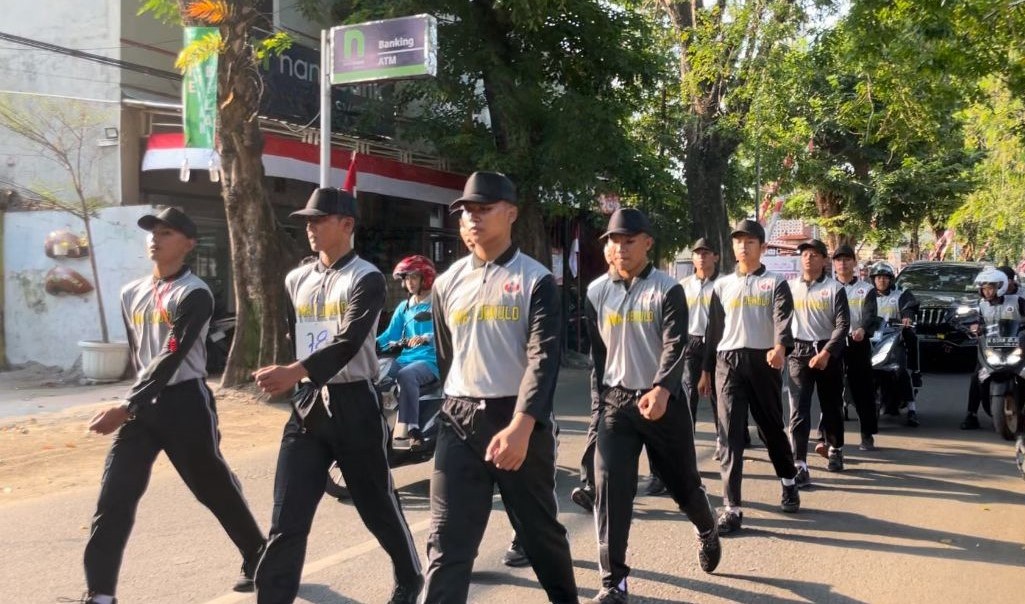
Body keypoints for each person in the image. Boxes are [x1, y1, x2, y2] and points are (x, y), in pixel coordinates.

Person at [80, 207, 265, 604]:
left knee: (212, 488)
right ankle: (100, 594)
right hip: (142, 407)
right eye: (152, 233)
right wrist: (134, 402)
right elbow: (139, 355)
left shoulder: (194, 293)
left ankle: (258, 555)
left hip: (184, 404)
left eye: (166, 233)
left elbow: (172, 355)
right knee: (115, 498)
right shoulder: (130, 292)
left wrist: (127, 405)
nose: (155, 239)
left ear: (188, 244)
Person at [252, 188, 422, 604]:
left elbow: (349, 341)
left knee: (376, 505)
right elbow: (296, 333)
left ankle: (409, 575)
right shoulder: (296, 279)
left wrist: (294, 371)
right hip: (309, 404)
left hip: (355, 403)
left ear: (347, 224)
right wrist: (297, 375)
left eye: (319, 219)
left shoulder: (366, 278)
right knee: (287, 517)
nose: (310, 227)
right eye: (307, 221)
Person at [424, 171, 577, 604]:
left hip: (517, 420)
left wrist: (522, 426)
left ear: (510, 214)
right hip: (458, 419)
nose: (473, 219)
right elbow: (446, 356)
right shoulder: (446, 282)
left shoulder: (536, 280)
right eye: (466, 212)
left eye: (484, 209)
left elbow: (544, 359)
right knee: (447, 542)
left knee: (539, 533)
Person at [586, 208, 721, 604]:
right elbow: (598, 358)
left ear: (647, 243)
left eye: (629, 240)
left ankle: (707, 527)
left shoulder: (667, 288)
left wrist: (662, 388)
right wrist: (598, 408)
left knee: (683, 485)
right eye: (614, 240)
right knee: (609, 489)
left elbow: (675, 344)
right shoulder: (597, 292)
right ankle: (614, 581)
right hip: (616, 403)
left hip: (663, 403)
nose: (621, 248)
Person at [699, 219, 800, 535]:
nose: (743, 246)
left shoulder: (775, 283)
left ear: (762, 247)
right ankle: (732, 508)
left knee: (770, 427)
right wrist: (705, 370)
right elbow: (713, 331)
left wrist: (781, 346)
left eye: (750, 241)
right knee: (729, 435)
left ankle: (788, 481)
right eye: (738, 241)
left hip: (763, 360)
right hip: (727, 362)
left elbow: (782, 318)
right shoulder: (722, 285)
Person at [787, 239, 850, 486]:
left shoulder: (835, 289)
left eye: (814, 255)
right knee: (798, 410)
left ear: (824, 260)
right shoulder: (790, 287)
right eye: (804, 254)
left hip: (827, 352)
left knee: (832, 405)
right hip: (798, 352)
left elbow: (843, 325)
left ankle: (835, 448)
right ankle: (799, 463)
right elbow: (781, 319)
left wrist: (826, 353)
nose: (808, 258)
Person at [377, 255, 440, 449]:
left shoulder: (438, 304)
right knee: (375, 371)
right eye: (406, 278)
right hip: (405, 358)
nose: (409, 282)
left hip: (430, 360)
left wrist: (426, 337)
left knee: (406, 376)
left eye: (413, 277)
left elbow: (447, 330)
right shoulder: (404, 307)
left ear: (425, 278)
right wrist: (363, 343)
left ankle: (413, 430)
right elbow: (389, 335)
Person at [960, 267, 1025, 429]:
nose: (987, 292)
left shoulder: (1018, 301)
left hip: (1017, 346)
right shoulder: (981, 305)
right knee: (977, 377)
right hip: (991, 348)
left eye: (991, 288)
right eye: (985, 288)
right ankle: (971, 415)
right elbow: (974, 320)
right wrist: (973, 326)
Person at [832, 244, 880, 450]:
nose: (843, 263)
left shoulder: (866, 289)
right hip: (832, 344)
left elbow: (870, 315)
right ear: (833, 264)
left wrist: (861, 329)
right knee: (830, 390)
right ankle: (829, 436)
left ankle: (867, 434)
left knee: (863, 390)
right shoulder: (827, 287)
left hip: (856, 343)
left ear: (854, 262)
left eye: (846, 259)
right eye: (839, 260)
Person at [870, 261, 921, 426]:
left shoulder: (901, 293)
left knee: (900, 369)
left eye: (885, 277)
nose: (882, 281)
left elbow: (909, 307)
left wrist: (907, 317)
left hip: (894, 338)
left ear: (891, 279)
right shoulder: (866, 295)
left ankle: (912, 406)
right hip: (871, 338)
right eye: (878, 278)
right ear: (873, 279)